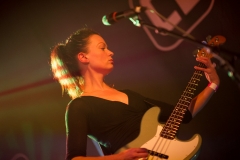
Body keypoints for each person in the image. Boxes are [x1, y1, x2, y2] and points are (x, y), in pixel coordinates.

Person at [50, 27, 220, 160]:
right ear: (83, 57)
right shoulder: (79, 106)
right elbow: (74, 158)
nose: (110, 52)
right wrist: (120, 157)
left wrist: (213, 84)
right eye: (102, 48)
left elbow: (184, 114)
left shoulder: (130, 95)